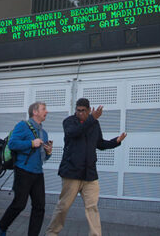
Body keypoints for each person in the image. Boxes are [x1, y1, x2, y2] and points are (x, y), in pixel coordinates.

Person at [45, 98, 127, 236]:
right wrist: (92, 119)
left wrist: (116, 142)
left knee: (92, 207)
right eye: (78, 110)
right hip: (71, 172)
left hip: (90, 174)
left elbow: (100, 144)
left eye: (83, 111)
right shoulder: (69, 121)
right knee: (63, 206)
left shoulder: (94, 124)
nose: (80, 113)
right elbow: (74, 133)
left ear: (89, 110)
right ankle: (52, 233)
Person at [0, 101, 53, 236]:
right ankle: (1, 226)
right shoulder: (23, 126)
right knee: (19, 204)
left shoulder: (43, 132)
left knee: (39, 207)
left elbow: (43, 157)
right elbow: (13, 143)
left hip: (38, 173)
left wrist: (49, 152)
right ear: (35, 112)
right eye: (44, 109)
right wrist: (31, 143)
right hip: (23, 170)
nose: (47, 111)